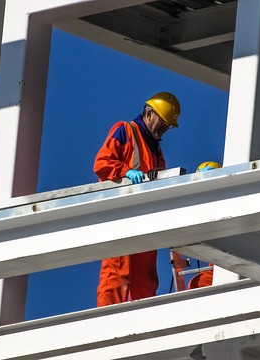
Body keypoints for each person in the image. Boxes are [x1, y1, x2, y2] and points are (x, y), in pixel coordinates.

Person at [93, 92, 181, 307]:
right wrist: (125, 172)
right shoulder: (125, 130)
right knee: (116, 274)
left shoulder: (157, 150)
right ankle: (107, 323)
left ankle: (143, 323)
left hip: (144, 220)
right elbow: (102, 163)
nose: (165, 128)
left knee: (146, 280)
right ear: (150, 114)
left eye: (168, 125)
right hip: (120, 216)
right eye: (163, 122)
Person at [186, 161, 222, 289]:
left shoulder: (231, 205)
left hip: (246, 266)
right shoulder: (202, 211)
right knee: (197, 285)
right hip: (218, 267)